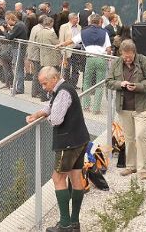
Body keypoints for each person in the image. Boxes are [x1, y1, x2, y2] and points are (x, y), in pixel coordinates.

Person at [26, 67, 90, 232]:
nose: (43, 87)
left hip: (68, 142)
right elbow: (50, 106)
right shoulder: (62, 89)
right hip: (80, 139)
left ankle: (65, 224)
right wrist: (38, 114)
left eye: (45, 83)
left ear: (54, 78)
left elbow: (56, 119)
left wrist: (47, 117)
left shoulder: (62, 92)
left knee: (58, 178)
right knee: (76, 177)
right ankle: (74, 223)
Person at [106, 39, 146, 181]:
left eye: (130, 56)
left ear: (134, 52)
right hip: (123, 107)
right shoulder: (116, 63)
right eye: (125, 56)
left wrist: (138, 86)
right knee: (128, 137)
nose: (127, 59)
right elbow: (108, 81)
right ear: (121, 53)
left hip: (141, 106)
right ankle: (131, 165)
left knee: (140, 135)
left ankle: (142, 169)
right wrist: (120, 84)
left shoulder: (144, 61)